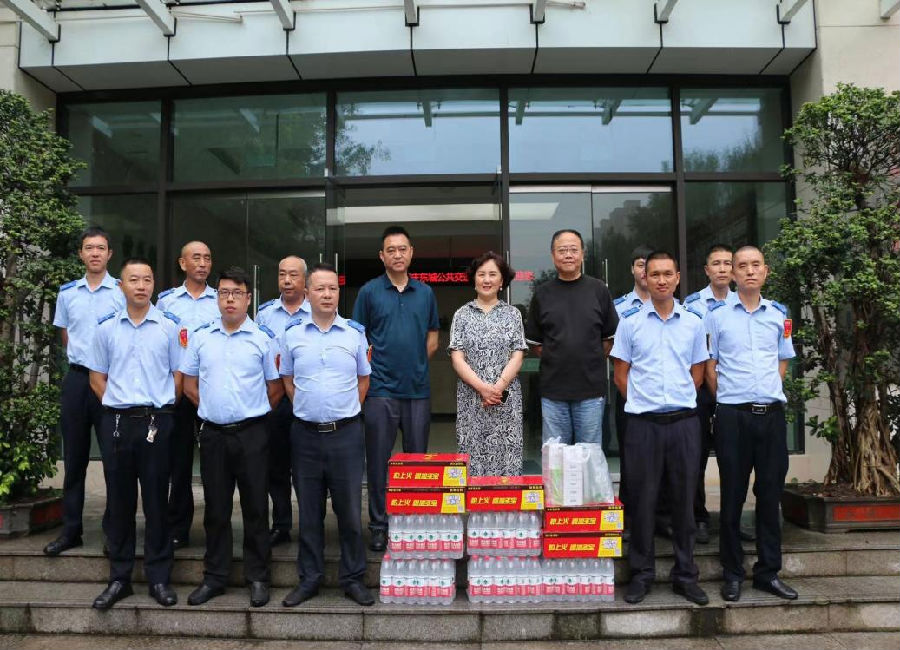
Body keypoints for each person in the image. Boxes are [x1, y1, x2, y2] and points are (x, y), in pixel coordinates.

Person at [610, 251, 709, 606]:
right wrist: (644, 402)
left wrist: (676, 400)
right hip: (643, 426)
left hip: (683, 424)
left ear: (678, 278)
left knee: (684, 501)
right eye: (655, 274)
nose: (662, 280)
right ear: (645, 278)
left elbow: (698, 373)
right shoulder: (630, 323)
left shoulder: (693, 322)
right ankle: (641, 574)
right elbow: (620, 375)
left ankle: (686, 575)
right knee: (642, 501)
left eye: (668, 274)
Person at [181, 267, 284, 608]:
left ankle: (258, 577)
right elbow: (189, 385)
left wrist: (248, 412)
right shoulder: (202, 337)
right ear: (217, 297)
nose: (229, 299)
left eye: (237, 293)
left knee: (256, 508)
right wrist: (214, 409)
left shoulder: (262, 339)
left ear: (248, 299)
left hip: (252, 434)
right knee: (216, 509)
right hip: (213, 435)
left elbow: (275, 388)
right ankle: (215, 577)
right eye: (224, 292)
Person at [87, 258, 182, 610]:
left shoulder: (169, 327)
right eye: (134, 280)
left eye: (147, 280)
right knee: (120, 502)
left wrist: (160, 407)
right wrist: (118, 404)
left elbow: (178, 376)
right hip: (117, 424)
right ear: (121, 285)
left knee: (157, 501)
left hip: (156, 421)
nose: (141, 286)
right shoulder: (106, 329)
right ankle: (119, 578)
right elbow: (96, 378)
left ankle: (159, 577)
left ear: (154, 284)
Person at [705, 245, 798, 603]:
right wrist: (729, 397)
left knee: (770, 495)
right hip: (733, 417)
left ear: (765, 271)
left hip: (770, 416)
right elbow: (709, 365)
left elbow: (783, 359)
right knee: (732, 495)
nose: (749, 271)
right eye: (742, 266)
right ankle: (732, 573)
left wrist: (766, 391)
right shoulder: (716, 316)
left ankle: (767, 572)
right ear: (733, 273)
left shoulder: (778, 314)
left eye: (755, 265)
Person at [280, 263, 374, 607]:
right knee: (309, 513)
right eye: (320, 288)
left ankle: (353, 578)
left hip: (345, 435)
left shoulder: (353, 334)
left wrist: (344, 410)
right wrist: (309, 408)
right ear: (307, 294)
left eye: (332, 288)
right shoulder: (292, 334)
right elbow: (287, 378)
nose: (327, 294)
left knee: (349, 512)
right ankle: (310, 578)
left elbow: (363, 379)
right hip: (305, 436)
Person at [352, 226, 439, 553]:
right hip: (380, 391)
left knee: (416, 464)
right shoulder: (369, 292)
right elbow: (358, 339)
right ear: (382, 256)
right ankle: (379, 525)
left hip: (417, 391)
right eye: (391, 250)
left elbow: (433, 337)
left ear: (411, 253)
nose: (397, 255)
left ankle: (411, 524)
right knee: (377, 463)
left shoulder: (425, 293)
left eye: (403, 249)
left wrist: (415, 363)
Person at [45, 227, 125, 557]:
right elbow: (67, 337)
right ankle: (71, 530)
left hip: (110, 381)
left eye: (101, 248)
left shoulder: (121, 292)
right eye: (89, 248)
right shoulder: (67, 294)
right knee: (75, 459)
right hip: (78, 380)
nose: (95, 253)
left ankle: (113, 532)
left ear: (109, 254)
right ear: (81, 254)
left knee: (113, 461)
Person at [524, 229, 618, 445]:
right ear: (553, 255)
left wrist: (587, 358)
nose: (568, 255)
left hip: (590, 391)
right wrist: (559, 357)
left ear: (582, 254)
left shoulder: (599, 290)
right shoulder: (542, 293)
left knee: (589, 452)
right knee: (556, 454)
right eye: (562, 250)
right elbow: (537, 344)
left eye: (573, 250)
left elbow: (608, 340)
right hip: (553, 391)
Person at [157, 241, 220, 550]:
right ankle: (178, 527)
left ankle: (215, 528)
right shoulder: (166, 301)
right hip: (178, 392)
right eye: (196, 258)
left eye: (207, 258)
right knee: (179, 463)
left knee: (214, 465)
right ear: (183, 264)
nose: (202, 263)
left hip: (211, 388)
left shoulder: (220, 299)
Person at [448, 252, 527, 476]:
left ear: (502, 281)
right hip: (472, 398)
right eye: (481, 274)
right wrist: (482, 388)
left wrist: (498, 387)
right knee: (473, 455)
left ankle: (506, 500)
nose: (486, 279)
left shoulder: (513, 314)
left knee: (506, 455)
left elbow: (518, 354)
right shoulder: (462, 315)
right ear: (474, 279)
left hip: (505, 398)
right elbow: (457, 357)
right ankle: (476, 500)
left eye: (493, 274)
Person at [680, 244, 736, 544]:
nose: (723, 269)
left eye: (728, 263)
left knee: (734, 461)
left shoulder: (743, 302)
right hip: (701, 390)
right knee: (697, 458)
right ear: (706, 270)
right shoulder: (692, 305)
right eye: (717, 263)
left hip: (736, 392)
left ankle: (731, 520)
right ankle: (698, 518)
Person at [256, 256, 311, 547]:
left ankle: (310, 526)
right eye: (282, 275)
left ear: (305, 280)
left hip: (306, 396)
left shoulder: (317, 310)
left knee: (305, 468)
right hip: (275, 398)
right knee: (275, 466)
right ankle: (281, 524)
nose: (287, 281)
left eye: (293, 275)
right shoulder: (265, 314)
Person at [612, 245, 652, 531]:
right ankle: (628, 518)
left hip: (664, 398)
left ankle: (660, 517)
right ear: (632, 269)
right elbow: (612, 352)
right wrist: (631, 397)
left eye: (650, 265)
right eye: (640, 264)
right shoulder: (619, 308)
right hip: (629, 393)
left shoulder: (678, 308)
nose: (646, 271)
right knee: (631, 459)